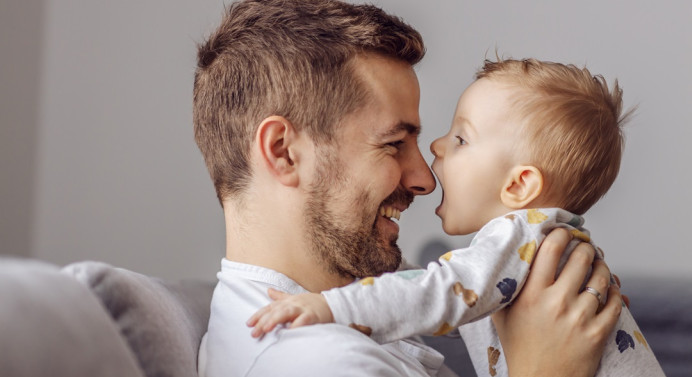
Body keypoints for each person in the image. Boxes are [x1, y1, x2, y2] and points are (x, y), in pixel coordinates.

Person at [193, 1, 624, 376]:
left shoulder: (347, 320)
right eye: (394, 144)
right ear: (283, 152)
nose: (425, 179)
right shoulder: (318, 363)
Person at [246, 59, 666, 377]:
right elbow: (438, 297)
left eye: (461, 138)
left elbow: (436, 295)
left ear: (519, 186)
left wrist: (331, 306)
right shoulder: (531, 246)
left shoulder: (521, 236)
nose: (437, 149)